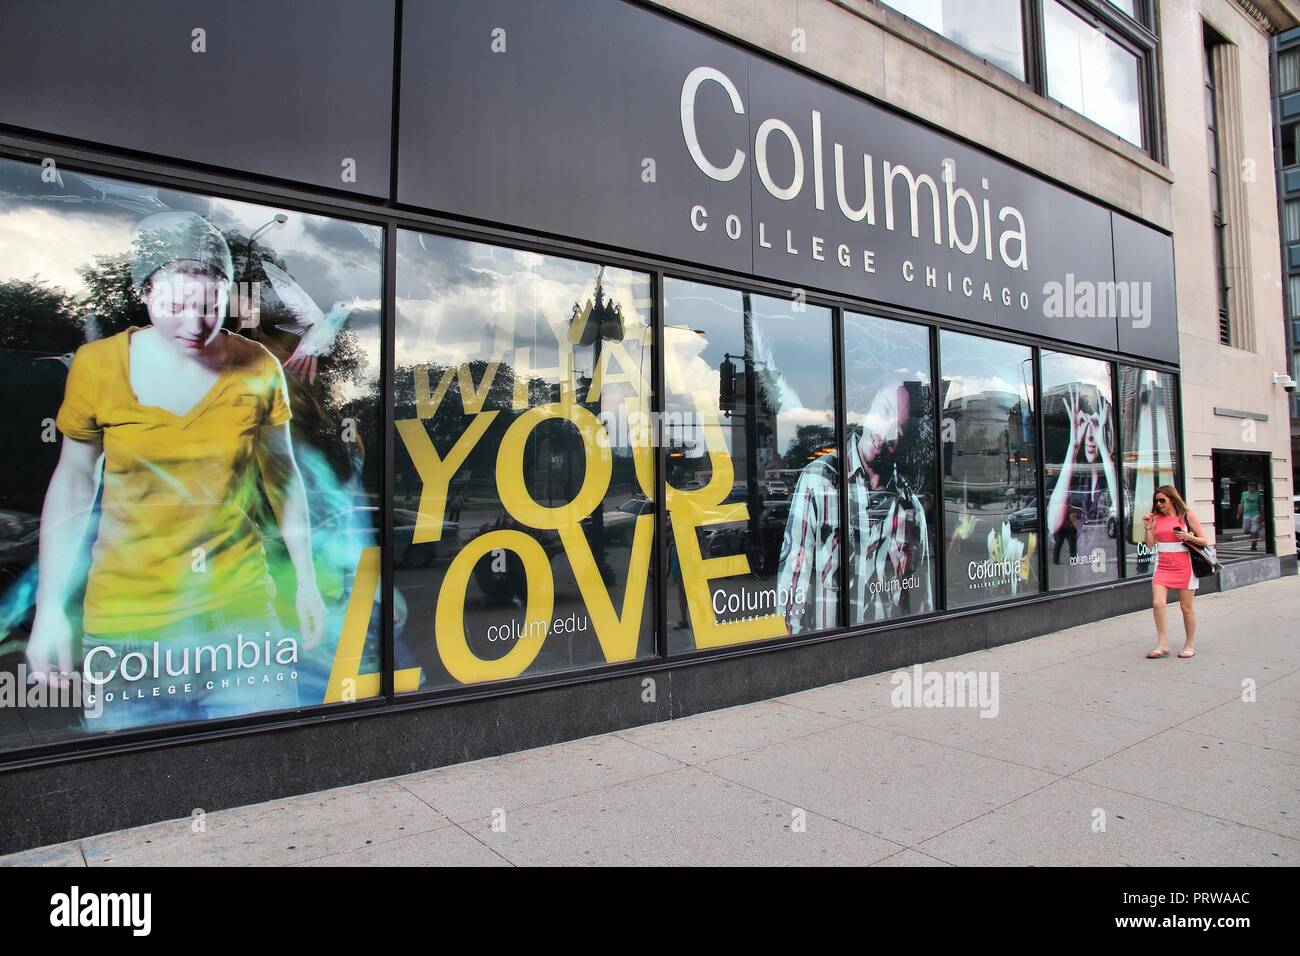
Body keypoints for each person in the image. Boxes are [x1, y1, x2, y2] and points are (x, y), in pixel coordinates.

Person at [26, 211, 326, 730]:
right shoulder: (97, 366)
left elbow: (283, 477)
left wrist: (306, 581)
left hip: (242, 617)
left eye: (211, 307)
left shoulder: (258, 367)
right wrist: (50, 607)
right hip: (127, 628)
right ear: (144, 294)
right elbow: (74, 482)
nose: (195, 324)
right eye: (176, 306)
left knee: (263, 769)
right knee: (129, 787)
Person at [777, 380, 931, 633]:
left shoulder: (910, 508)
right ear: (870, 409)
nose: (886, 431)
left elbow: (920, 602)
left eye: (899, 427)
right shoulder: (820, 480)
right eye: (884, 412)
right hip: (826, 650)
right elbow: (791, 587)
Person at [1046, 384, 1118, 573]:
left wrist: (1103, 447)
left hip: (1105, 563)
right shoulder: (1068, 480)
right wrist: (1072, 448)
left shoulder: (1109, 478)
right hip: (1080, 571)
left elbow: (1119, 504)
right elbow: (1053, 524)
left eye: (1096, 425)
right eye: (1083, 424)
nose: (1090, 437)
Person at [1142, 484, 1207, 660]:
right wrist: (1148, 528)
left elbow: (1204, 540)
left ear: (1172, 499)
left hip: (1185, 566)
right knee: (1158, 603)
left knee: (1186, 607)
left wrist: (1189, 536)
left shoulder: (1186, 516)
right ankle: (1162, 644)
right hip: (1163, 565)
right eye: (1156, 501)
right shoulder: (1156, 518)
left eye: (1162, 500)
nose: (1159, 504)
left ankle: (1189, 644)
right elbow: (1149, 545)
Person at [1237, 480, 1262, 551]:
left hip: (1255, 514)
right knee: (1246, 530)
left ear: (1255, 487)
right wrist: (1238, 514)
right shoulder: (1244, 494)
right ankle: (1253, 538)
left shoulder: (1258, 495)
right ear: (1248, 487)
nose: (1251, 487)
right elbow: (1241, 504)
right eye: (1250, 486)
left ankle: (1253, 545)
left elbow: (1261, 505)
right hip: (1246, 514)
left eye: (1252, 486)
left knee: (1254, 531)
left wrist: (1262, 516)